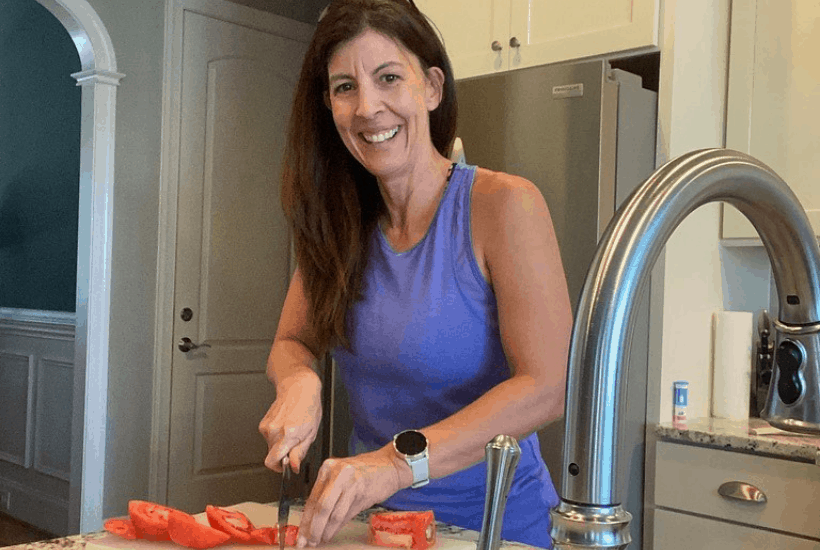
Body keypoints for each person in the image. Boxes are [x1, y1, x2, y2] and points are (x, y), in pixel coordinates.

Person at [258, 0, 572, 547]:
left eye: (388, 78)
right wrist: (299, 380)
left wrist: (394, 463)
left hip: (495, 528)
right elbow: (292, 341)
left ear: (431, 87)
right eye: (344, 87)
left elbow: (548, 386)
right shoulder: (338, 223)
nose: (367, 108)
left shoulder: (503, 205)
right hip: (372, 526)